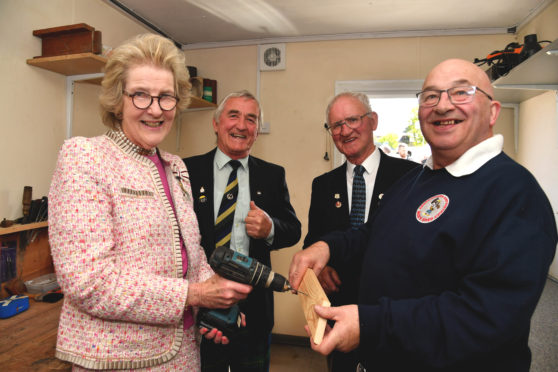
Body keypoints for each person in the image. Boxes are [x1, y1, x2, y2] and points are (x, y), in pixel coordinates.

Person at [289, 59, 557, 371]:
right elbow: (371, 233)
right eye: (430, 96)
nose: (443, 106)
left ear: (493, 111)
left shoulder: (515, 194)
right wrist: (328, 247)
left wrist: (371, 324)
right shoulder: (416, 180)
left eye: (461, 93)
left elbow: (486, 318)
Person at [48, 34, 252, 371]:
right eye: (140, 95)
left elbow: (193, 251)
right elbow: (87, 280)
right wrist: (195, 295)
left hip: (185, 353)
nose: (155, 110)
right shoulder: (85, 157)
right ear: (118, 100)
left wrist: (215, 300)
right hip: (118, 360)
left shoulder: (176, 167)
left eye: (166, 97)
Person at [183, 90, 301, 372]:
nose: (241, 125)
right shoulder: (187, 170)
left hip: (254, 306)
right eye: (233, 115)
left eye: (251, 119)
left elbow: (293, 230)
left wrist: (270, 227)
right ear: (216, 123)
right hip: (201, 302)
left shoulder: (273, 174)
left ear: (257, 131)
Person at [304, 92, 417, 371]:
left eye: (352, 120)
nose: (345, 131)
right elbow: (313, 240)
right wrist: (323, 265)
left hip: (393, 311)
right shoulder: (322, 185)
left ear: (373, 121)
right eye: (337, 125)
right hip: (340, 309)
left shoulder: (411, 177)